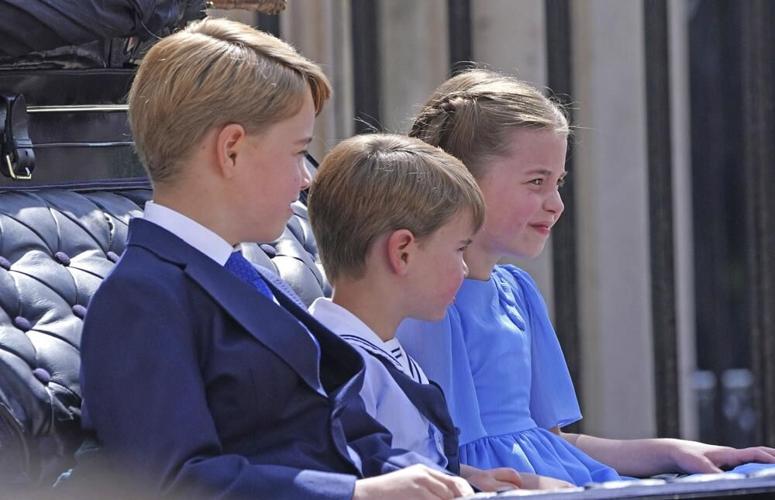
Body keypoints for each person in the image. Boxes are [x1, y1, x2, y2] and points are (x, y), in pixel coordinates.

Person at [71, 18, 474, 500]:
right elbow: (172, 482)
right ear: (232, 150)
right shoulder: (142, 297)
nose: (307, 178)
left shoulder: (251, 276)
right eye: (298, 151)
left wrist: (436, 481)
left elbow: (347, 426)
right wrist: (355, 494)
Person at [396, 68, 775, 485]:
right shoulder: (428, 301)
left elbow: (548, 441)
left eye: (558, 182)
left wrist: (669, 449)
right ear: (461, 178)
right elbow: (434, 453)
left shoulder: (517, 292)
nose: (556, 203)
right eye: (536, 182)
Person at [306, 133, 572, 493]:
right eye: (459, 249)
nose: (464, 269)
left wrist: (467, 476)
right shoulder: (339, 366)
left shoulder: (387, 353)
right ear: (402, 252)